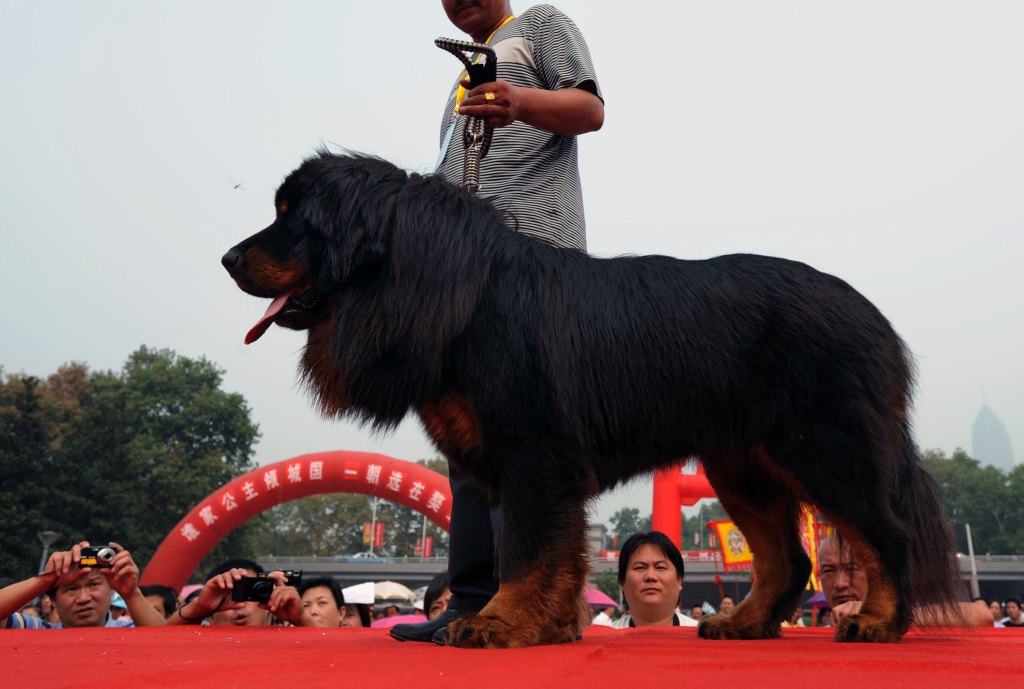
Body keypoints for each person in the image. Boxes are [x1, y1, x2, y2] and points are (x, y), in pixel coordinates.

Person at [392, 0, 603, 645]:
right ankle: (474, 601)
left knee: (530, 444)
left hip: (538, 273)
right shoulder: (460, 77)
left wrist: (520, 102)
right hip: (470, 287)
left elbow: (590, 110)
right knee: (470, 446)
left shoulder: (540, 25)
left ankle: (540, 603)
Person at [818, 534, 993, 628]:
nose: (840, 584)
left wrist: (883, 616)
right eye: (829, 571)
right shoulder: (820, 638)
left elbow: (983, 616)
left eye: (852, 568)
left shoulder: (915, 620)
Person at [1, 541, 165, 629]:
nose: (84, 598)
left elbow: (165, 644)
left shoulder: (131, 631)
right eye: (71, 589)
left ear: (110, 588)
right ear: (52, 600)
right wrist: (44, 581)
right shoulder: (38, 631)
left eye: (93, 584)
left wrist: (131, 594)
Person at [167, 558, 313, 627]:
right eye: (230, 594)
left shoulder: (290, 642)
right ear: (210, 617)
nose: (240, 603)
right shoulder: (196, 645)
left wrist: (300, 619)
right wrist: (199, 608)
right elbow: (163, 641)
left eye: (250, 591)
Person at [611, 532, 698, 628]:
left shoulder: (706, 637)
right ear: (623, 582)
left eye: (661, 567)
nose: (651, 576)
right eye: (640, 567)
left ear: (679, 580)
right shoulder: (602, 638)